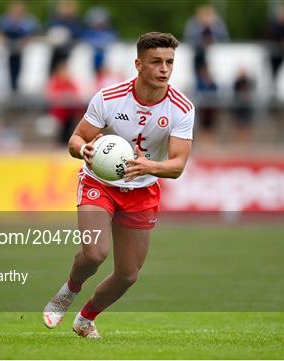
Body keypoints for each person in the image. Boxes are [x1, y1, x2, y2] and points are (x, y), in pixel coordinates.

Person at [43, 32, 195, 338]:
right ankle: (66, 293)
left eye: (169, 62)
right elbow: (76, 139)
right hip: (100, 182)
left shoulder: (181, 108)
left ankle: (86, 319)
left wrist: (147, 166)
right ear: (138, 64)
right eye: (156, 62)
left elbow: (177, 166)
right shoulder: (109, 97)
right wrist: (82, 150)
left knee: (127, 275)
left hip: (143, 189)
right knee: (95, 253)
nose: (164, 69)